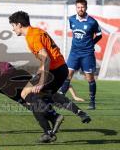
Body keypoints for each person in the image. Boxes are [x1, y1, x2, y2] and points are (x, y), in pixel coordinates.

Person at [8, 11, 91, 141]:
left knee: (29, 96)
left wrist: (41, 81)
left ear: (19, 24)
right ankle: (77, 112)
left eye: (13, 26)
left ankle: (51, 123)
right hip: (61, 68)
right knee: (39, 96)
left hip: (54, 70)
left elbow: (46, 59)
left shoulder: (32, 36)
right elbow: (45, 59)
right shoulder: (36, 31)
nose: (13, 29)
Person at [0, 61, 65, 143]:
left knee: (36, 107)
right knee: (36, 109)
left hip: (26, 89)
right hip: (20, 96)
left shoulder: (1, 66)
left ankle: (51, 127)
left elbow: (11, 72)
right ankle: (53, 120)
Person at [60, 0, 102, 110]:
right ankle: (60, 99)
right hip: (74, 53)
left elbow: (99, 35)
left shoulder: (92, 22)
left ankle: (92, 102)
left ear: (86, 7)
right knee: (67, 75)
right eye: (78, 7)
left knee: (89, 78)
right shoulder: (72, 19)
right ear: (76, 8)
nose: (80, 9)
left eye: (82, 7)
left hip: (87, 54)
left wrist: (91, 43)